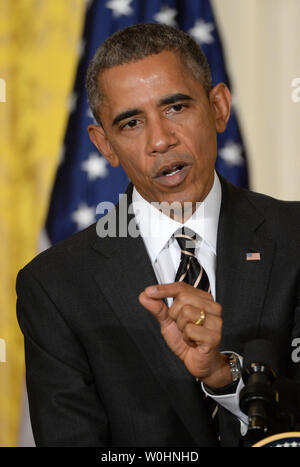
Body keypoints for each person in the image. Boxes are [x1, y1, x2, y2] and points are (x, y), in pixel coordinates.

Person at [16, 23, 300, 447]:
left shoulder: (294, 238)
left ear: (219, 107)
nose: (161, 140)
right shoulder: (56, 286)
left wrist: (227, 378)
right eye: (130, 123)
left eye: (176, 108)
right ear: (104, 145)